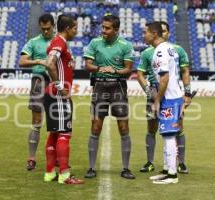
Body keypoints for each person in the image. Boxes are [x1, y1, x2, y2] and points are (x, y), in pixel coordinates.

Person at [83, 14, 135, 179]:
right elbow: (87, 65)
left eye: (107, 28)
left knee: (124, 128)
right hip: (99, 86)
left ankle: (125, 168)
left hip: (118, 87)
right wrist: (99, 68)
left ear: (116, 30)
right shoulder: (94, 43)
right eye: (103, 27)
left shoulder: (126, 45)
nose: (103, 30)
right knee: (95, 127)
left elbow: (128, 69)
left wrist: (115, 71)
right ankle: (91, 167)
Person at [137, 21, 191, 174]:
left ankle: (178, 164)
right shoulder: (148, 52)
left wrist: (187, 93)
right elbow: (140, 74)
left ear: (167, 33)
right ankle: (151, 162)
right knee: (152, 128)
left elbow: (184, 72)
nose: (164, 33)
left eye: (165, 31)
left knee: (176, 128)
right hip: (156, 92)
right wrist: (149, 92)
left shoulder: (175, 50)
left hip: (167, 94)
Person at [43, 14, 83, 184]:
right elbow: (50, 63)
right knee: (65, 133)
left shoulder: (59, 42)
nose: (76, 31)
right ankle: (65, 175)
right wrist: (60, 86)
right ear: (67, 28)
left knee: (54, 133)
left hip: (51, 93)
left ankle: (50, 173)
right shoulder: (59, 42)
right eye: (75, 28)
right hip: (58, 95)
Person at [19, 13, 54, 171]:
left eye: (48, 28)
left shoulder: (60, 42)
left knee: (56, 121)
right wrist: (38, 61)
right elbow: (22, 61)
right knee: (37, 121)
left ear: (53, 26)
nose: (45, 31)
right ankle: (31, 158)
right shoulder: (33, 42)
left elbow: (70, 62)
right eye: (43, 28)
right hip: (38, 81)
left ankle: (56, 158)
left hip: (56, 83)